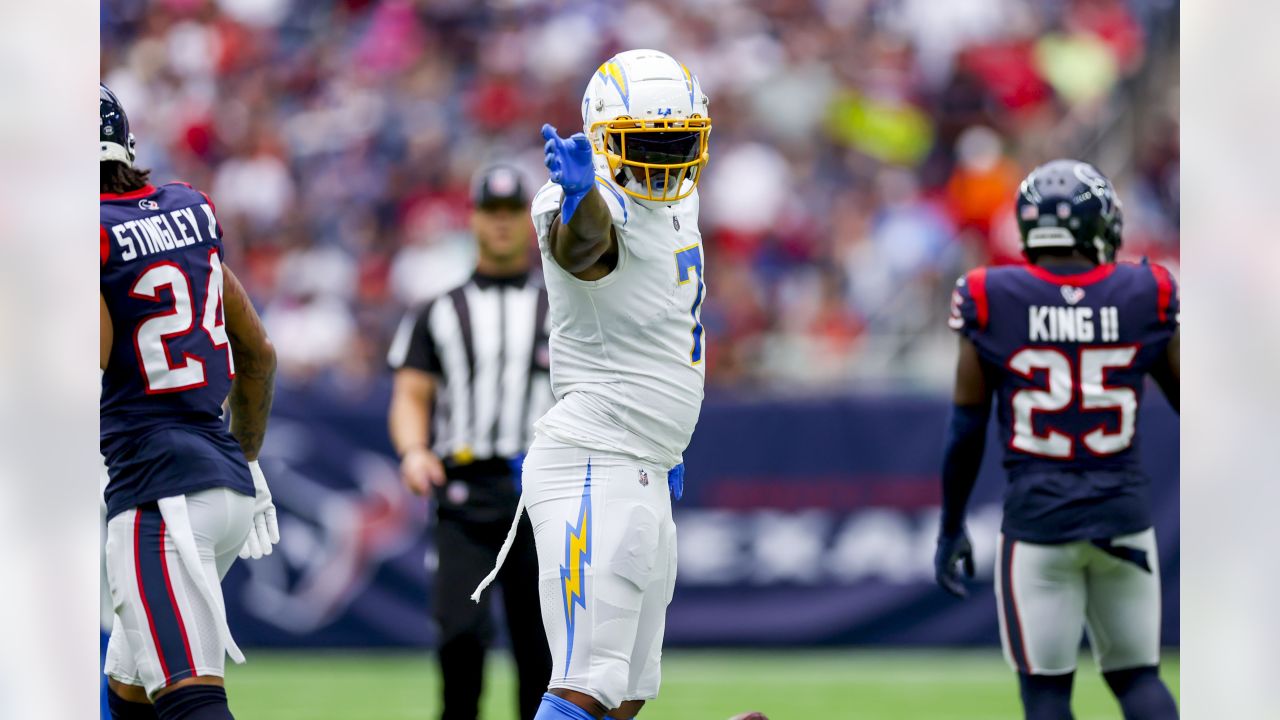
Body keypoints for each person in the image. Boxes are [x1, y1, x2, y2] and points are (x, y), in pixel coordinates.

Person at [469, 49, 745, 720]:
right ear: (600, 139)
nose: (666, 158)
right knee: (585, 684)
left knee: (625, 694)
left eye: (679, 140)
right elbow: (585, 251)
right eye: (644, 144)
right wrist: (583, 194)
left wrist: (664, 443)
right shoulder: (579, 199)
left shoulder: (683, 196)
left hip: (646, 459)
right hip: (597, 454)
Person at [934, 159, 1180, 719]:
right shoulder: (1148, 290)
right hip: (1123, 516)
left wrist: (951, 527)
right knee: (1139, 680)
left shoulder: (988, 294)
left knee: (1046, 694)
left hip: (1038, 526)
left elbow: (965, 425)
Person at [99, 83, 280, 720]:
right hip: (222, 482)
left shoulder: (86, 235)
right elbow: (257, 354)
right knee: (129, 685)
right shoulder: (187, 209)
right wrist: (248, 459)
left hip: (157, 497)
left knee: (191, 704)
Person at [387, 164, 554, 720]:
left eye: (513, 214)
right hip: (464, 490)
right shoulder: (438, 310)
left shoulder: (562, 308)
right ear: (475, 219)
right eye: (493, 213)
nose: (503, 225)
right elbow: (411, 394)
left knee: (542, 650)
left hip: (542, 496)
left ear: (526, 223)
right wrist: (414, 451)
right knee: (459, 637)